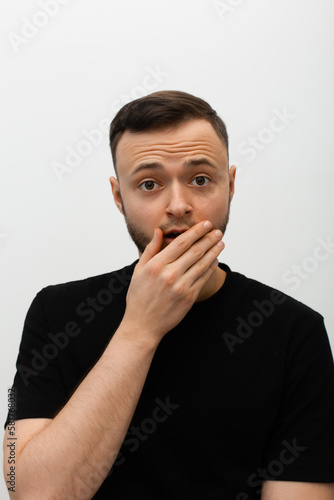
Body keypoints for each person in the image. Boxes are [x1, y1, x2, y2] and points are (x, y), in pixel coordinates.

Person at [3, 91, 334, 500]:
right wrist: (140, 328)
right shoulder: (54, 314)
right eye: (149, 184)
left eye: (200, 179)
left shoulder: (295, 332)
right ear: (118, 197)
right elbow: (30, 492)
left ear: (229, 186)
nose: (178, 205)